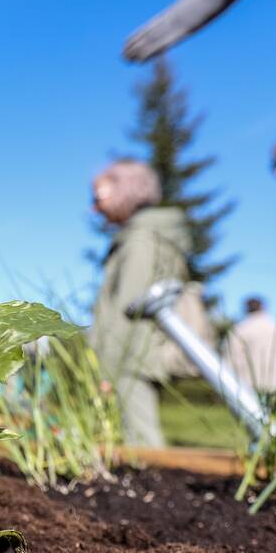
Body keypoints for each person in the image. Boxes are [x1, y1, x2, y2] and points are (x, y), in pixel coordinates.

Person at [90, 159, 193, 447]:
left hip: (129, 356)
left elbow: (126, 312)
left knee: (141, 442)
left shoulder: (141, 241)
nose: (93, 208)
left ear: (126, 191)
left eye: (98, 198)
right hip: (134, 353)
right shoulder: (148, 237)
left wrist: (105, 368)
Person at [222, 297, 276, 394]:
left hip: (247, 382)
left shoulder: (240, 329)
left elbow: (231, 356)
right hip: (273, 381)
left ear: (246, 309)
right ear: (263, 307)